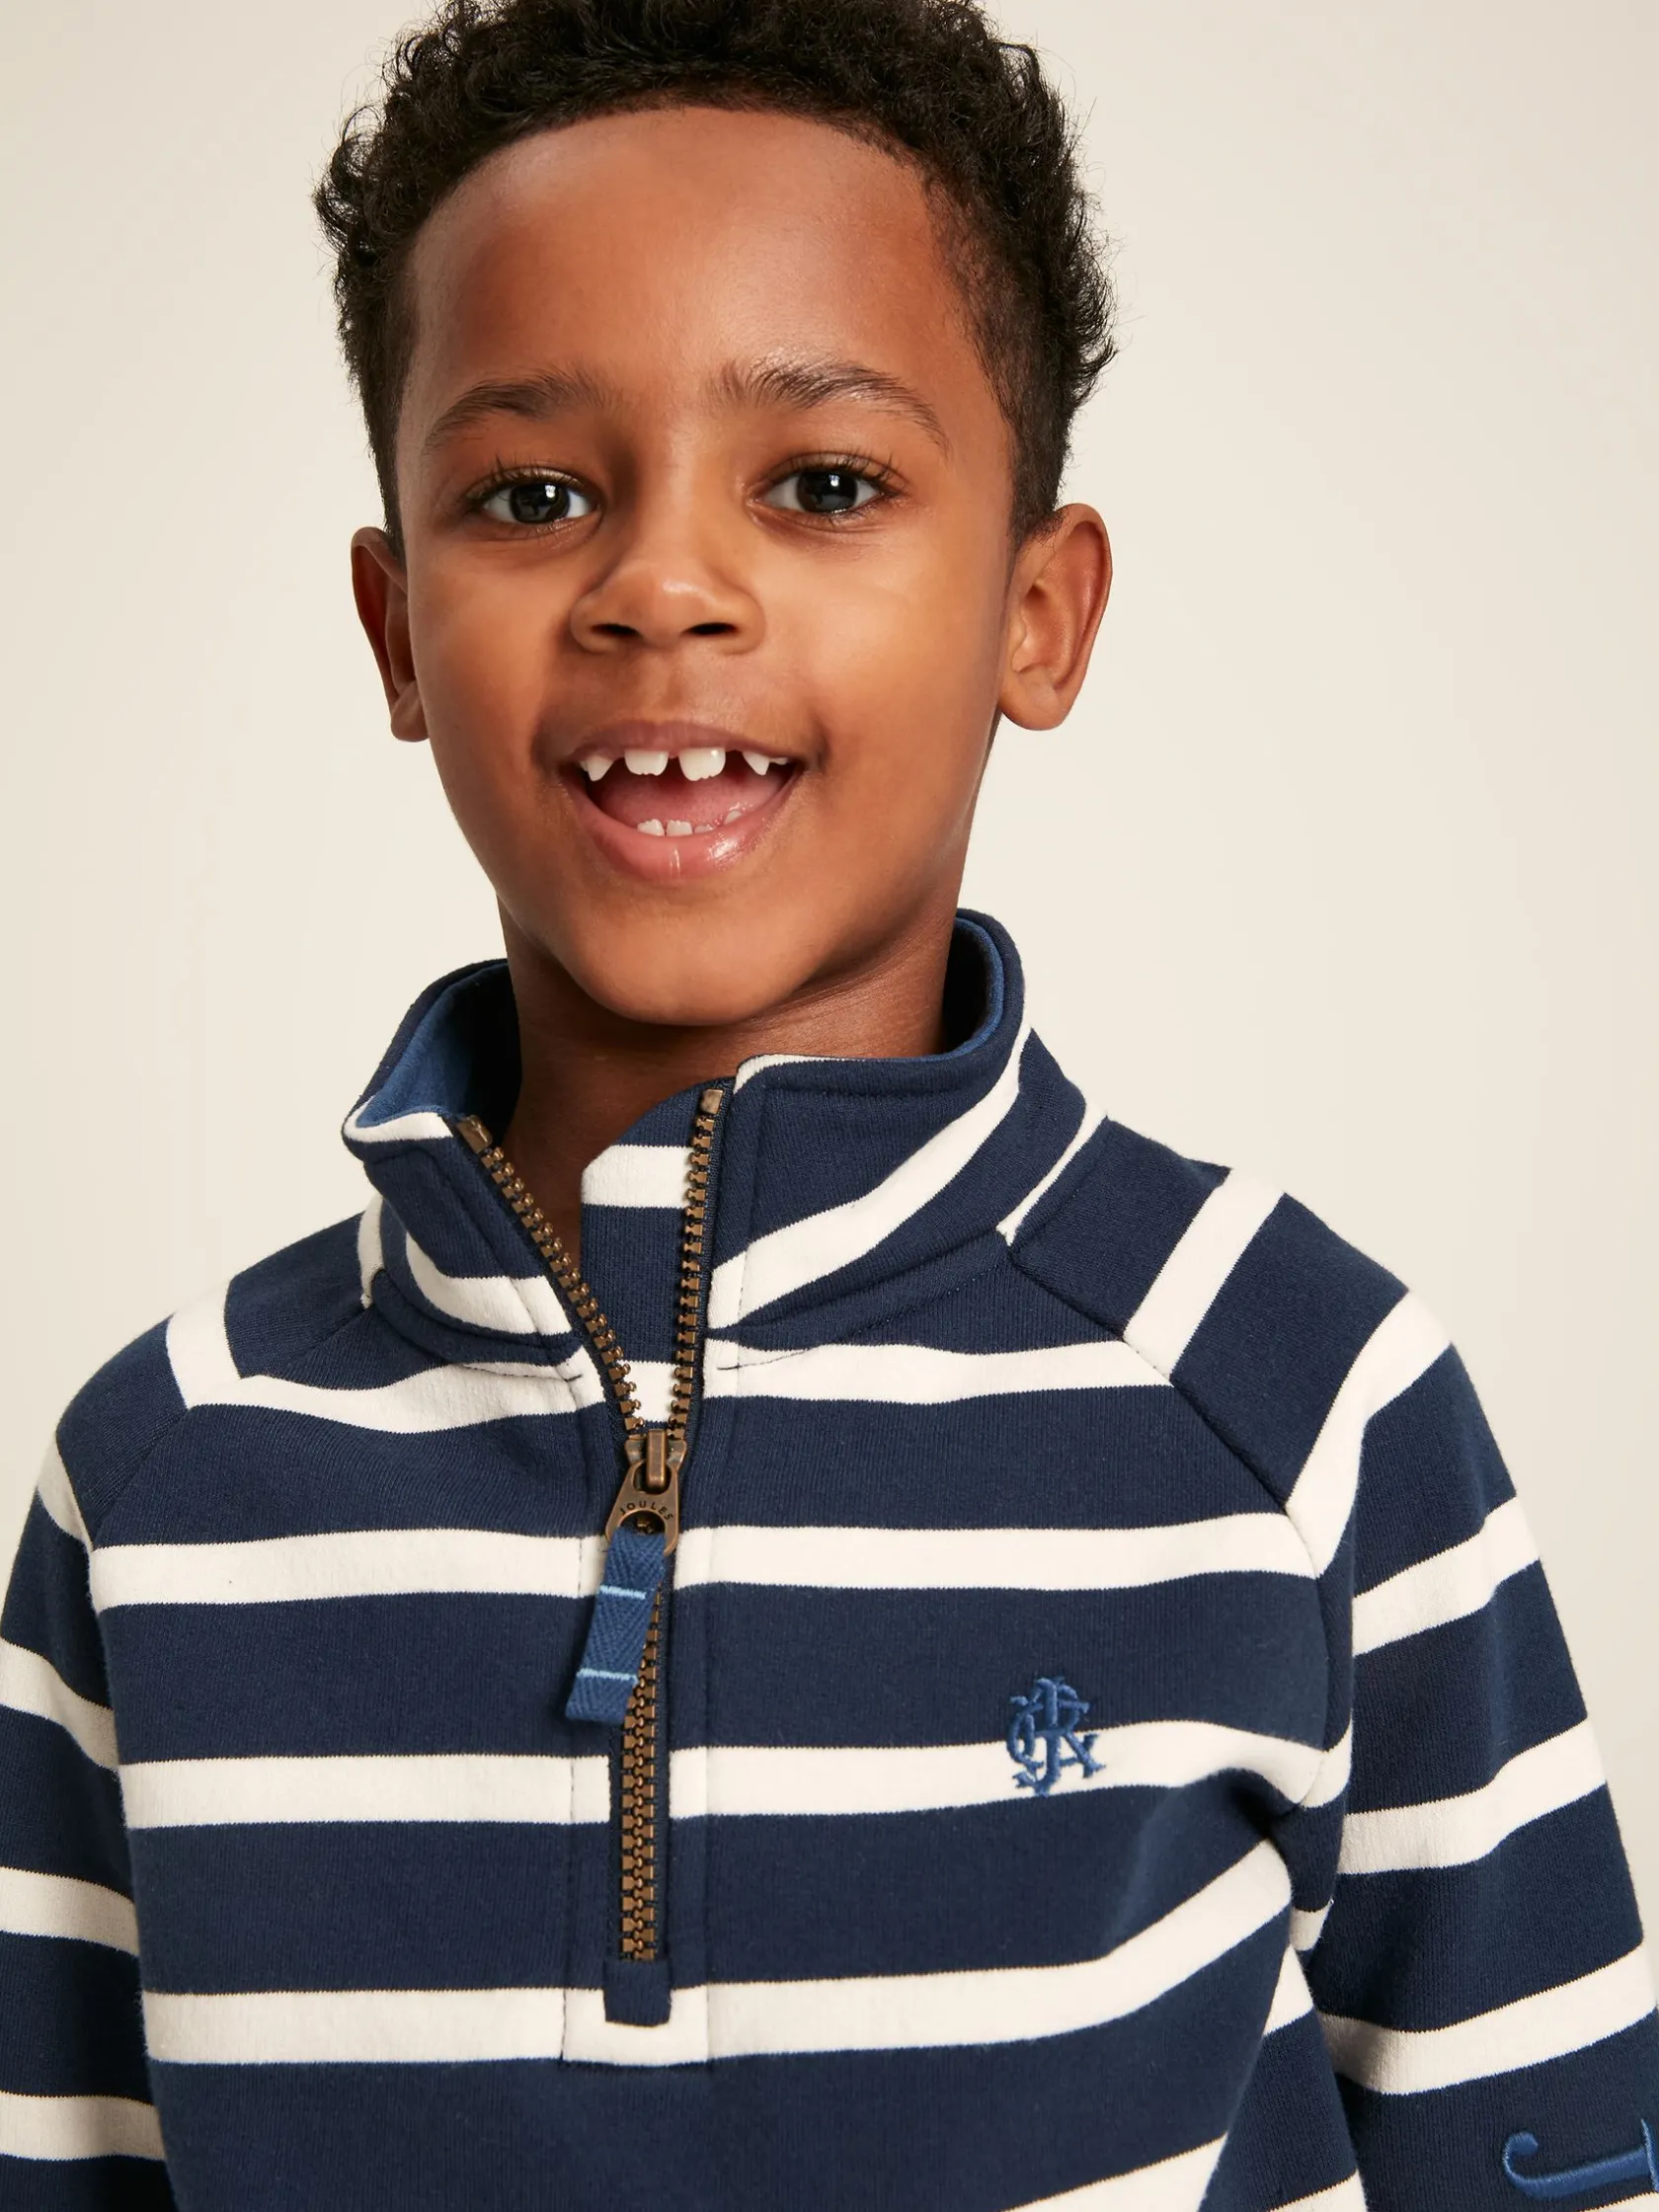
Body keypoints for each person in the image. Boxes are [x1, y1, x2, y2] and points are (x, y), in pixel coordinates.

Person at [1, 1, 1653, 2204]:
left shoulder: (1303, 1399)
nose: (664, 589)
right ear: (396, 627)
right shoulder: (159, 1479)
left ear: (1038, 614)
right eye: (534, 495)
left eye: (825, 484)